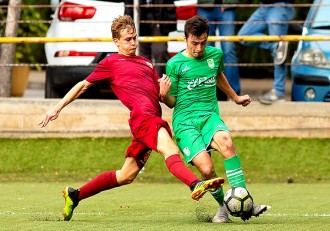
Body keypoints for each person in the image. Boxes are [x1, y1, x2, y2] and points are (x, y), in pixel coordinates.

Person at [39, 15, 224, 221]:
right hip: (143, 120)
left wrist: (164, 93)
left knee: (125, 175)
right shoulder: (111, 62)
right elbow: (83, 85)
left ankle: (75, 195)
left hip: (149, 121)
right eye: (128, 39)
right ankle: (194, 184)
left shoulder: (146, 63)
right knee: (170, 149)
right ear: (116, 41)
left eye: (135, 38)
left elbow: (162, 97)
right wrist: (57, 107)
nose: (133, 43)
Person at [161, 15, 270, 223]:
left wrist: (235, 97)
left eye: (203, 43)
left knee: (227, 144)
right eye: (194, 43)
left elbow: (218, 76)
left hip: (210, 115)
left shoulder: (216, 55)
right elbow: (171, 102)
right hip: (185, 122)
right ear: (185, 39)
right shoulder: (175, 64)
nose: (199, 48)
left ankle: (246, 202)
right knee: (207, 169)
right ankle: (222, 207)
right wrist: (163, 94)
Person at [238, 0, 295, 105]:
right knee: (243, 36)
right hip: (264, 6)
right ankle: (275, 45)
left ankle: (279, 92)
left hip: (279, 5)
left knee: (279, 52)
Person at [197, 0, 240, 99]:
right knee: (204, 50)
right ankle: (204, 91)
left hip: (227, 6)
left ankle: (234, 94)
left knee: (229, 50)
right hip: (205, 5)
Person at [124, 0, 176, 77]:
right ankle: (146, 82)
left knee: (160, 52)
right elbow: (129, 6)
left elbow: (169, 6)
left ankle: (158, 82)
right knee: (142, 55)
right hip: (140, 22)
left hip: (159, 22)